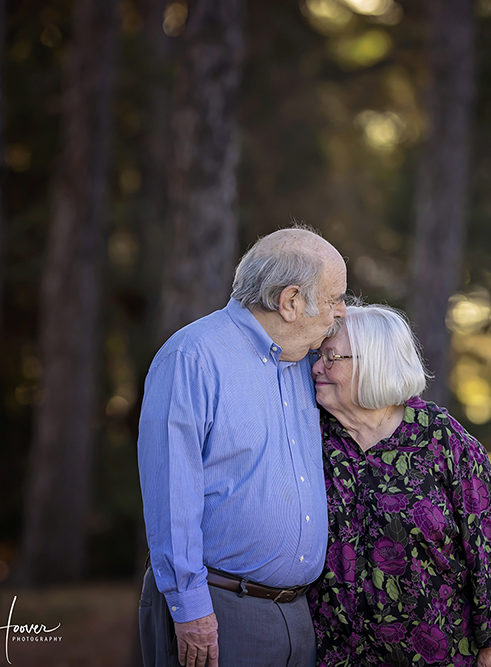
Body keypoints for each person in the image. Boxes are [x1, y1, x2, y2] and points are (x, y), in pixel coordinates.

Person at [137, 227, 348, 667]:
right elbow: (170, 497)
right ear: (290, 302)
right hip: (220, 610)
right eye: (334, 299)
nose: (341, 314)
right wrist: (192, 611)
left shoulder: (306, 363)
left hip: (298, 615)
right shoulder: (193, 358)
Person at [308, 303, 491, 667]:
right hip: (334, 656)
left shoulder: (442, 440)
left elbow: (489, 551)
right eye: (318, 355)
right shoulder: (312, 439)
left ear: (374, 361)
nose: (315, 368)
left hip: (437, 655)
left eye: (331, 357)